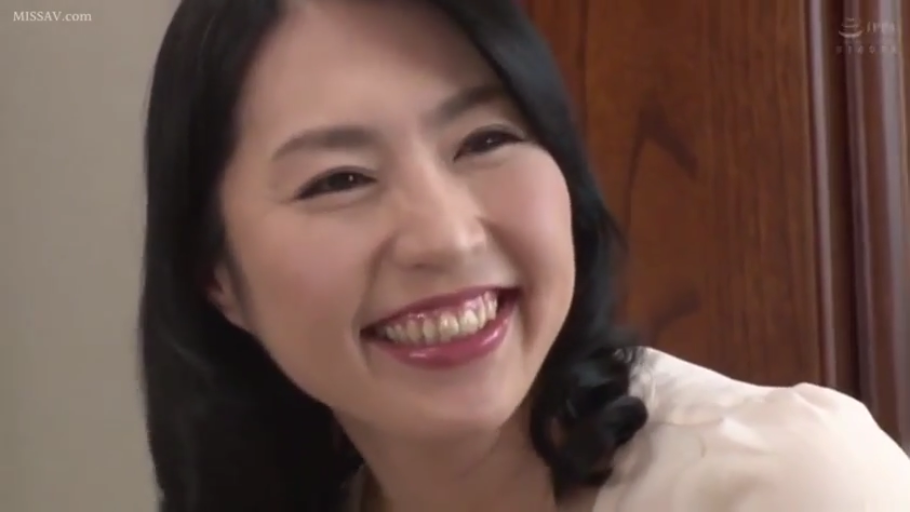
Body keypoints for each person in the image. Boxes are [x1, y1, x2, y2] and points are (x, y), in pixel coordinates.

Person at [138, 0, 910, 510]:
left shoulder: (789, 486)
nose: (447, 236)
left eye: (485, 139)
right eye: (339, 179)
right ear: (217, 278)